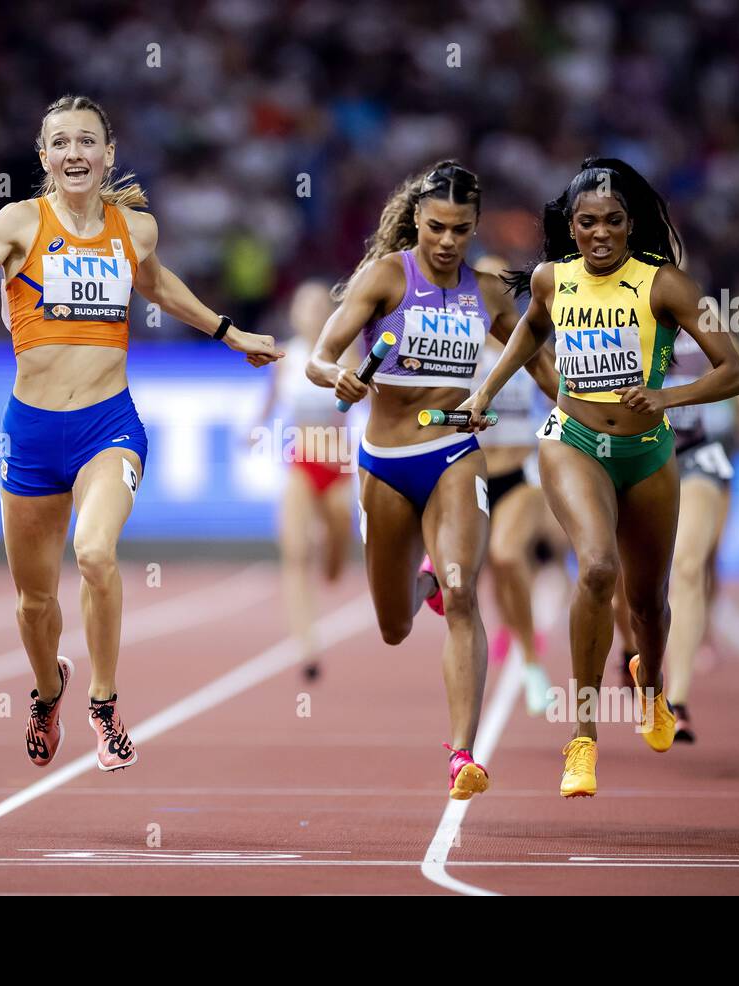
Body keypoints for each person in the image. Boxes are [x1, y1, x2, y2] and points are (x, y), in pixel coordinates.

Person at [0, 94, 281, 773]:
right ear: (44, 157)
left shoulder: (134, 229)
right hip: (30, 434)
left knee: (94, 553)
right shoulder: (18, 222)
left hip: (107, 425)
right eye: (60, 143)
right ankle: (47, 690)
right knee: (34, 602)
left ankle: (104, 701)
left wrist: (230, 334)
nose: (75, 154)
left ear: (109, 154)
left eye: (87, 141)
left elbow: (159, 286)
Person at [459, 156, 739, 797]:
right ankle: (583, 738)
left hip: (648, 450)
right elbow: (527, 335)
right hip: (574, 441)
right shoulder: (548, 279)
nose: (599, 234)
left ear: (630, 223)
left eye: (613, 222)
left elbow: (734, 372)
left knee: (648, 602)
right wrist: (484, 395)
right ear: (572, 224)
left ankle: (652, 684)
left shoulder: (664, 284)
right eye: (587, 222)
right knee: (595, 567)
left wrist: (668, 399)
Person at [307, 161, 549, 800]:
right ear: (417, 218)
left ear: (475, 227)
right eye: (437, 227)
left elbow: (543, 366)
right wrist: (337, 376)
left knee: (466, 592)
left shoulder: (490, 293)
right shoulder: (386, 277)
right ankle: (423, 585)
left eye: (460, 230)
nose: (446, 241)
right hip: (385, 464)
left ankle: (462, 756)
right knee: (393, 628)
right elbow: (319, 355)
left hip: (453, 453)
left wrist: (591, 414)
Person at [610, 333, 739, 740]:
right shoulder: (617, 302)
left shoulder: (695, 311)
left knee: (687, 566)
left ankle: (675, 701)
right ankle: (632, 652)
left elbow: (738, 363)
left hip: (693, 453)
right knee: (620, 586)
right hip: (632, 455)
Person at [252, 280, 355, 680]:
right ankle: (307, 645)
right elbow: (272, 400)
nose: (311, 312)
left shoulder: (345, 353)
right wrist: (255, 428)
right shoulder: (287, 356)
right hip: (301, 460)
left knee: (332, 555)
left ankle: (334, 557)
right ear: (294, 313)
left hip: (338, 465)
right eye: (304, 305)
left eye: (318, 306)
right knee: (295, 552)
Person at [472, 328, 565, 716]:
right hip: (473, 475)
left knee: (508, 554)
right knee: (489, 570)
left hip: (520, 473)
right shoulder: (463, 353)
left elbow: (563, 397)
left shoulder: (530, 351)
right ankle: (508, 627)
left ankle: (530, 662)